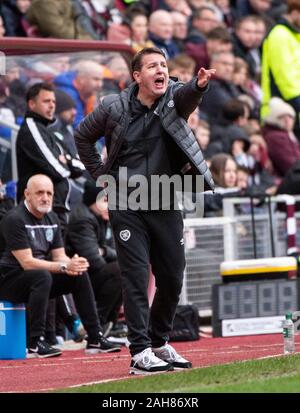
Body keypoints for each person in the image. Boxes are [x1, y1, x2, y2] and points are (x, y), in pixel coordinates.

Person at [74, 47, 215, 374]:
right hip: (127, 202)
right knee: (136, 277)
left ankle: (159, 342)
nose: (161, 70)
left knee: (172, 276)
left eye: (163, 65)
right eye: (153, 66)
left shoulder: (174, 98)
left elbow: (188, 98)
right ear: (137, 76)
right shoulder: (113, 106)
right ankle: (139, 352)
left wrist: (200, 86)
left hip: (165, 199)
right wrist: (101, 176)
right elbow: (83, 136)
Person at [0, 174, 121, 357]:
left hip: (36, 277)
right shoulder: (14, 219)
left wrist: (73, 264)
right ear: (27, 194)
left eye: (49, 193)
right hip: (9, 280)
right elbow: (27, 263)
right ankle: (35, 342)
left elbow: (59, 256)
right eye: (40, 192)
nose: (45, 198)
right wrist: (64, 267)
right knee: (42, 276)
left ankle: (95, 337)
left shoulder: (52, 218)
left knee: (78, 273)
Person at [66, 180, 123, 335]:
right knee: (120, 270)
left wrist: (103, 251)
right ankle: (96, 324)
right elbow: (94, 260)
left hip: (92, 272)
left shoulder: (101, 217)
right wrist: (107, 253)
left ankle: (110, 324)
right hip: (78, 276)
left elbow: (117, 251)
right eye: (105, 200)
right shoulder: (82, 219)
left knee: (127, 267)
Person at [261, 0, 300, 138]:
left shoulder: (295, 35)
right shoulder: (279, 35)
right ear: (295, 13)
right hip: (281, 111)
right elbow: (285, 78)